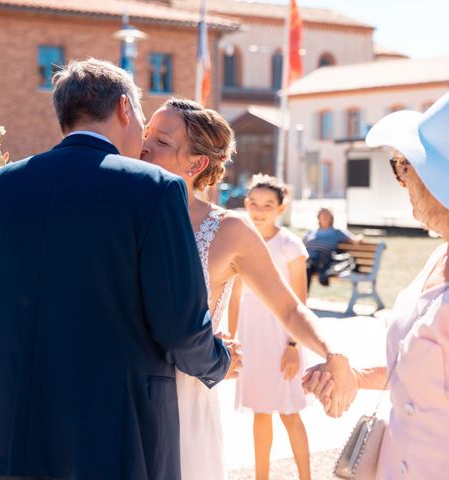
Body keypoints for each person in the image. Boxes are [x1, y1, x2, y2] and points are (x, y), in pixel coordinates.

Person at [0, 59, 239, 480]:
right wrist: (219, 362)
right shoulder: (154, 190)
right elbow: (179, 326)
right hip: (120, 442)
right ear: (122, 109)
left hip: (8, 441)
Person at [304, 87, 449, 479]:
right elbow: (425, 370)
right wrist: (356, 378)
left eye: (404, 166)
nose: (401, 180)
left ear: (439, 183)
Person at [141, 98, 358, 479]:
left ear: (196, 164)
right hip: (122, 395)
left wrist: (332, 351)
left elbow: (289, 308)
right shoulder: (121, 213)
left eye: (160, 140)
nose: (143, 146)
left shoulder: (229, 232)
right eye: (145, 134)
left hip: (187, 399)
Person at [228, 175, 311, 480]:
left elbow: (300, 303)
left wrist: (293, 347)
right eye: (253, 204)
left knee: (289, 413)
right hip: (252, 338)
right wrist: (232, 340)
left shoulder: (291, 245)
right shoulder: (241, 240)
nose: (259, 211)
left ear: (281, 208)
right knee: (260, 413)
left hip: (282, 338)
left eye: (268, 205)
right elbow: (236, 296)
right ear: (246, 204)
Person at [303, 208, 361, 287]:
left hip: (323, 262)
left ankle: (301, 297)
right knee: (302, 267)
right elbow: (300, 245)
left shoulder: (337, 232)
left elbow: (355, 240)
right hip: (307, 260)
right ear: (318, 217)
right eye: (322, 214)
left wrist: (361, 237)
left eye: (327, 214)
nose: (324, 216)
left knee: (305, 269)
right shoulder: (310, 232)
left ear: (331, 218)